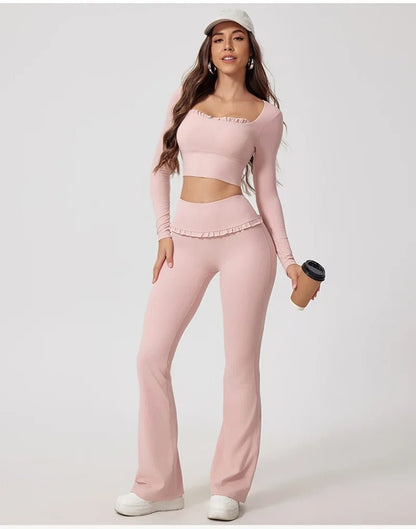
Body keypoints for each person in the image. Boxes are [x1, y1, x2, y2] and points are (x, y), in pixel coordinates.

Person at [115, 7, 319, 522]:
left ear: (250, 51)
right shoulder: (186, 100)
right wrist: (163, 233)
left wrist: (289, 261)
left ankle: (230, 486)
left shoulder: (265, 116)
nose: (227, 46)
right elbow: (160, 168)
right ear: (209, 50)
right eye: (218, 39)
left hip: (244, 241)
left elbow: (267, 191)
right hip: (184, 240)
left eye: (238, 38)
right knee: (150, 356)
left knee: (240, 365)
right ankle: (159, 485)